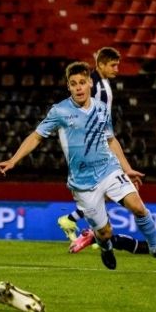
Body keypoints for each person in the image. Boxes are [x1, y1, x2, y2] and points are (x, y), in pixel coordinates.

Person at [0, 61, 156, 270]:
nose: (78, 87)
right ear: (68, 87)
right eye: (73, 84)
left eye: (82, 82)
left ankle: (155, 248)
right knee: (104, 232)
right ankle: (106, 247)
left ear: (90, 83)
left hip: (109, 169)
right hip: (83, 184)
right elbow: (36, 137)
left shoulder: (101, 109)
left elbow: (110, 139)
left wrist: (126, 168)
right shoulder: (60, 111)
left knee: (138, 207)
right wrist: (13, 160)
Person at [57, 47, 122, 242]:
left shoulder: (100, 85)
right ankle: (96, 232)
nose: (117, 69)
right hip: (94, 147)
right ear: (100, 64)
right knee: (108, 188)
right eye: (113, 65)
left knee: (106, 191)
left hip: (92, 144)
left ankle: (75, 221)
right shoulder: (101, 88)